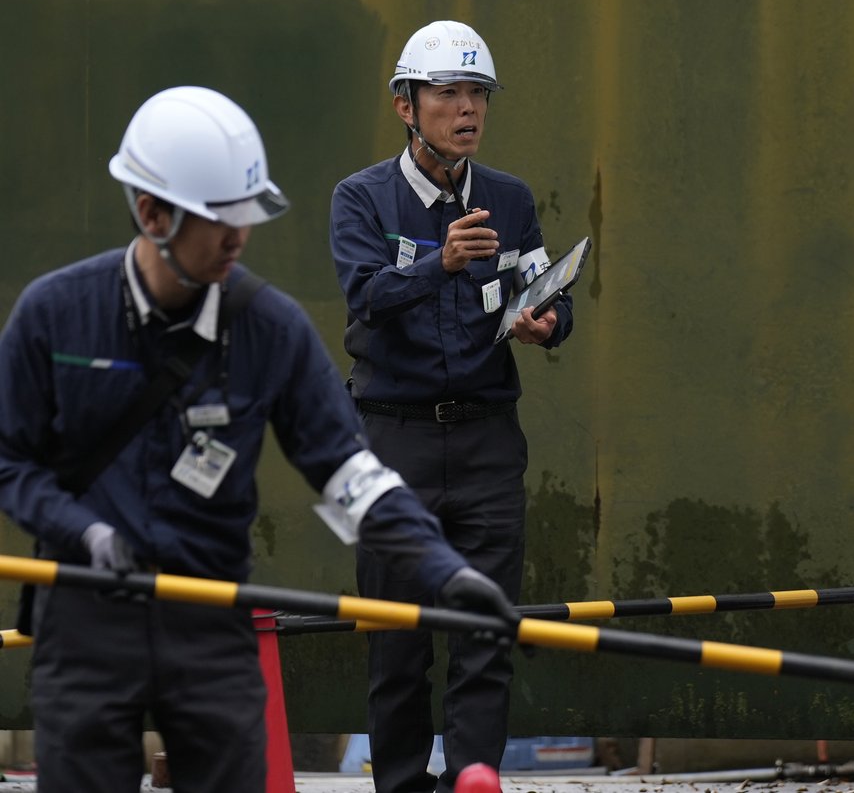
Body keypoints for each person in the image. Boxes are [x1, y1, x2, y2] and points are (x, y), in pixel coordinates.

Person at [0, 86, 515, 793]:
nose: (238, 237)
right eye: (218, 220)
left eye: (245, 215)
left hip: (212, 628)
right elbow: (10, 462)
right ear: (151, 213)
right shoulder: (55, 316)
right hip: (87, 621)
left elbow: (347, 473)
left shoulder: (269, 328)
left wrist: (442, 571)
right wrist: (83, 532)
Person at [330, 20, 574, 792]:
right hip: (391, 442)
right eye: (447, 93)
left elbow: (549, 292)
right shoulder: (361, 198)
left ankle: (474, 778)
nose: (466, 108)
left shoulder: (509, 198)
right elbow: (364, 298)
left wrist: (549, 323)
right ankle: (401, 784)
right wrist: (440, 262)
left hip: (486, 444)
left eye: (477, 94)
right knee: (396, 638)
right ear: (406, 105)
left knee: (484, 632)